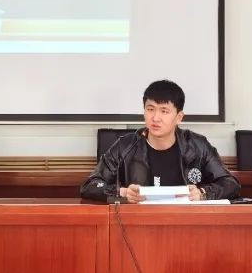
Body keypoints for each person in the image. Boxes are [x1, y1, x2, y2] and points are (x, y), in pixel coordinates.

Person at [80, 80, 239, 202]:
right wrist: (122, 192)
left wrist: (203, 193)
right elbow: (90, 186)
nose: (155, 118)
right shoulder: (125, 146)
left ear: (179, 117)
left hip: (186, 223)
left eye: (164, 111)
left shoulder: (198, 146)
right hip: (139, 223)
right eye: (150, 109)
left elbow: (230, 183)